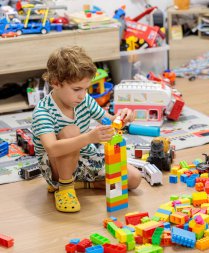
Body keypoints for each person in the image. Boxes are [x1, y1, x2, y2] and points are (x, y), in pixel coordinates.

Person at [32, 46, 142, 213]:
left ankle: (82, 183)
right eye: (77, 89)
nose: (83, 95)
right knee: (71, 131)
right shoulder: (43, 111)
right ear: (55, 82)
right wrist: (89, 138)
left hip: (84, 157)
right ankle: (66, 187)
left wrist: (122, 117)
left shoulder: (84, 100)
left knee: (134, 179)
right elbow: (52, 149)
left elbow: (109, 121)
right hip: (56, 166)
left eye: (86, 89)